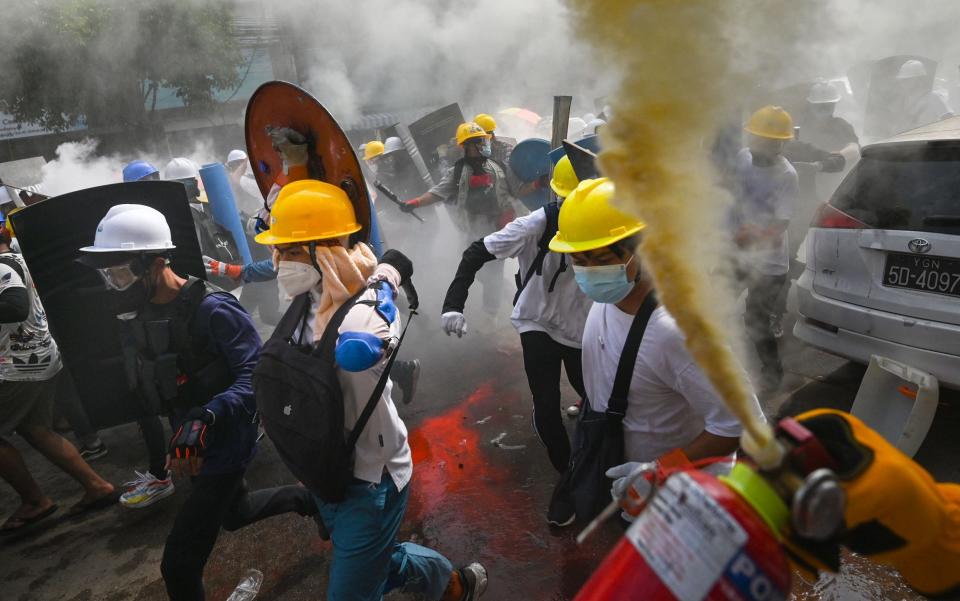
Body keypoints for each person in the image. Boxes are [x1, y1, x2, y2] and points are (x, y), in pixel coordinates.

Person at [254, 179, 487, 600]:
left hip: (370, 479)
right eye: (279, 250)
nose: (279, 262)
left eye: (290, 251)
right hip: (325, 468)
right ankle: (450, 583)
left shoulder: (367, 307)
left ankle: (448, 583)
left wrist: (386, 274)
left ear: (323, 251)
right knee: (374, 561)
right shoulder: (308, 298)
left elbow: (358, 350)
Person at [78, 204, 319, 601]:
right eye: (108, 275)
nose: (113, 285)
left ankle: (315, 500)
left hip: (225, 439)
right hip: (192, 440)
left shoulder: (213, 308)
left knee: (178, 564)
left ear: (153, 263)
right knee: (236, 512)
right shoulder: (139, 312)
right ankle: (310, 499)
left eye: (119, 273)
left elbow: (256, 375)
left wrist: (207, 415)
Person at [547, 178, 750, 525]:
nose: (588, 273)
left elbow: (737, 423)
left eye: (600, 259)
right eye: (578, 261)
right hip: (633, 491)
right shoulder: (607, 299)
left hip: (682, 503)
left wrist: (661, 472)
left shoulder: (680, 331)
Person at [440, 155, 590, 473]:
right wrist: (453, 305)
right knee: (547, 404)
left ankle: (594, 451)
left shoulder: (607, 221)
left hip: (582, 325)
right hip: (538, 321)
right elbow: (476, 251)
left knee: (596, 395)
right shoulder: (536, 224)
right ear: (562, 196)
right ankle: (567, 476)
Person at [0, 229, 117, 533]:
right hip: (37, 359)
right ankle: (96, 486)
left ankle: (34, 500)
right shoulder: (15, 257)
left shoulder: (1, 265)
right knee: (35, 429)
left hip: (16, 367)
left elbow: (15, 305)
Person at [403, 121, 528, 315]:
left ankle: (492, 318)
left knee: (493, 272)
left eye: (482, 141)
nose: (482, 145)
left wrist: (536, 186)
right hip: (472, 230)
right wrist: (415, 203)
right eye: (477, 142)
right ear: (466, 148)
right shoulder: (457, 172)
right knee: (479, 271)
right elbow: (437, 193)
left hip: (498, 227)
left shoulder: (499, 166)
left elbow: (518, 192)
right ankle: (508, 295)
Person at [730, 106, 799, 392]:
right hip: (736, 253)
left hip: (769, 264)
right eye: (759, 140)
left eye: (773, 141)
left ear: (783, 142)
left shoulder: (787, 175)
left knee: (756, 322)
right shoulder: (742, 159)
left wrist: (749, 234)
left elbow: (778, 230)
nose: (764, 146)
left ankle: (772, 372)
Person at [894, 59, 953, 132]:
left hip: (930, 140)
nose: (902, 83)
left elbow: (949, 120)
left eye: (906, 80)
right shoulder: (905, 100)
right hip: (911, 141)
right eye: (902, 80)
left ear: (918, 79)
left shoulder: (933, 97)